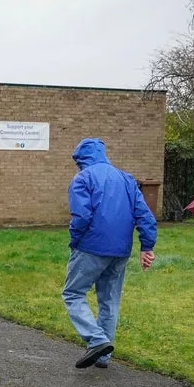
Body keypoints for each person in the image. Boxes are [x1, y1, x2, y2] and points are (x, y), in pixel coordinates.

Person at [63, 138, 157, 369]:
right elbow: (144, 215)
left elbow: (82, 216)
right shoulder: (126, 179)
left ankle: (96, 341)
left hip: (91, 246)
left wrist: (75, 241)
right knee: (109, 301)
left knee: (73, 293)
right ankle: (103, 356)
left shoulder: (83, 178)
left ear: (81, 159)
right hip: (120, 250)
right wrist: (147, 246)